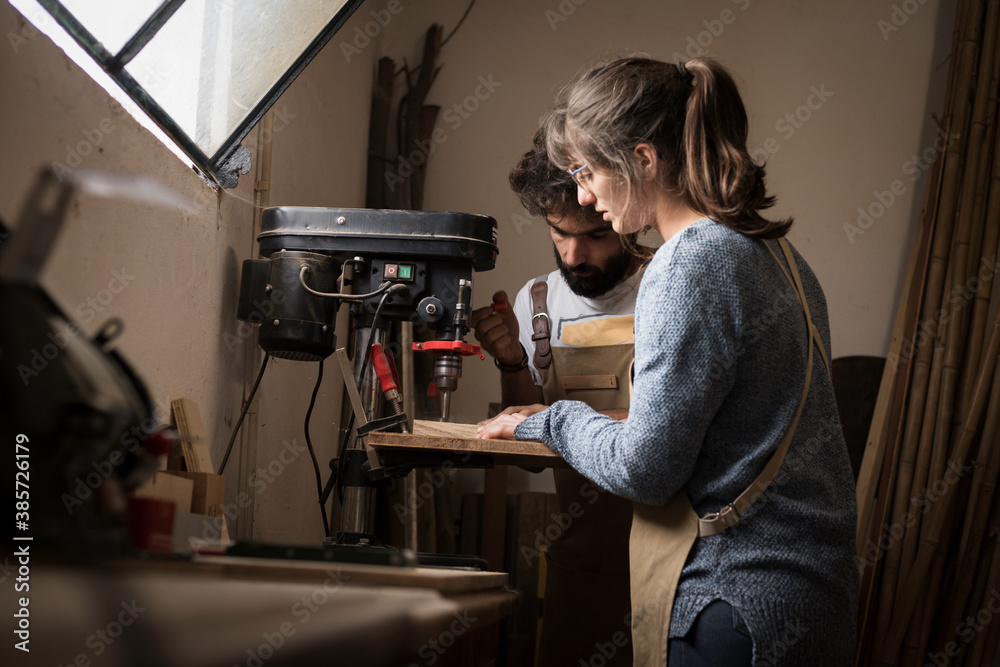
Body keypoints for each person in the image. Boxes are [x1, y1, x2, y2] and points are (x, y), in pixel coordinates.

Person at [478, 56, 859, 666]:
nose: (581, 195)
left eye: (586, 170)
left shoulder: (687, 263)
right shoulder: (778, 255)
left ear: (644, 160)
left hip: (733, 608)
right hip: (808, 601)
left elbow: (645, 470)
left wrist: (545, 420)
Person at [470, 129, 650, 666]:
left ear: (624, 217)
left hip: (663, 557)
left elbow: (671, 424)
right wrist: (511, 363)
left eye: (594, 235)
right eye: (558, 233)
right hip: (578, 561)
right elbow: (528, 457)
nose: (575, 254)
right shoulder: (538, 301)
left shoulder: (668, 287)